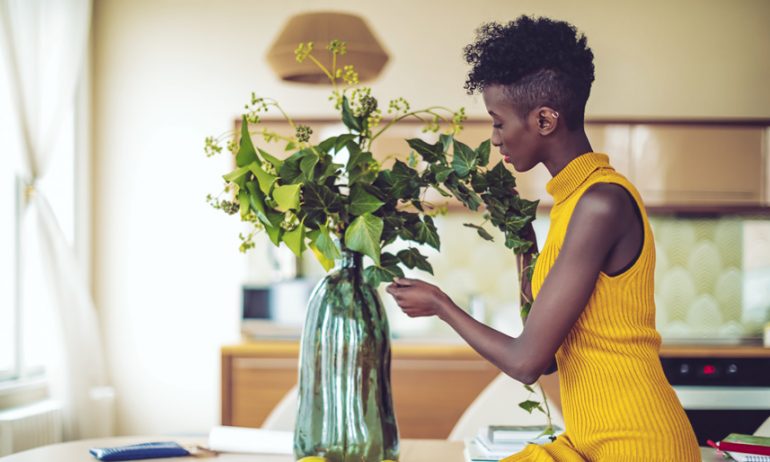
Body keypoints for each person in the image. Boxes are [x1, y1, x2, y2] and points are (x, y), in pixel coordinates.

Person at [386, 16, 700, 461]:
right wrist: (524, 249)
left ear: (546, 119)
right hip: (592, 442)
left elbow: (527, 362)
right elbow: (551, 357)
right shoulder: (571, 204)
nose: (495, 140)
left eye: (498, 123)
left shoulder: (600, 203)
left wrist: (441, 305)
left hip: (636, 443)